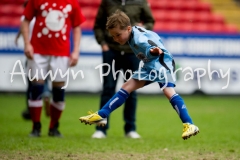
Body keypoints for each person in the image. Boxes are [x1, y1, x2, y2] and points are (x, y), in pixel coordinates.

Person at [79, 10, 200, 140]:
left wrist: (154, 51)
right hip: (150, 64)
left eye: (118, 35)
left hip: (161, 62)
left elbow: (148, 44)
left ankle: (190, 124)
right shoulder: (133, 32)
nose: (116, 39)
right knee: (127, 86)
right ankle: (102, 115)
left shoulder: (138, 38)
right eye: (113, 36)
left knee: (168, 91)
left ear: (128, 29)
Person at [21, 0, 85, 137]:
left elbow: (77, 27)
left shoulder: (72, 2)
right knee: (36, 87)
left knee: (59, 91)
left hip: (61, 52)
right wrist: (27, 44)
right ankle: (36, 127)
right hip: (38, 50)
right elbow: (25, 20)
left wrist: (76, 51)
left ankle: (53, 127)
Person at [92, 0, 155, 139]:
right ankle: (101, 129)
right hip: (111, 51)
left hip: (132, 53)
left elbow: (151, 22)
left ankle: (130, 129)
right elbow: (98, 25)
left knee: (131, 91)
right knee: (108, 89)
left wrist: (143, 28)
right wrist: (103, 43)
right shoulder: (107, 2)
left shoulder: (140, 1)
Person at [15, 1, 51, 120]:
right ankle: (46, 94)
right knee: (44, 79)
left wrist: (18, 37)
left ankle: (31, 110)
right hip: (44, 53)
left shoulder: (25, 19)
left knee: (32, 83)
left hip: (31, 54)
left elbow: (22, 27)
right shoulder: (42, 18)